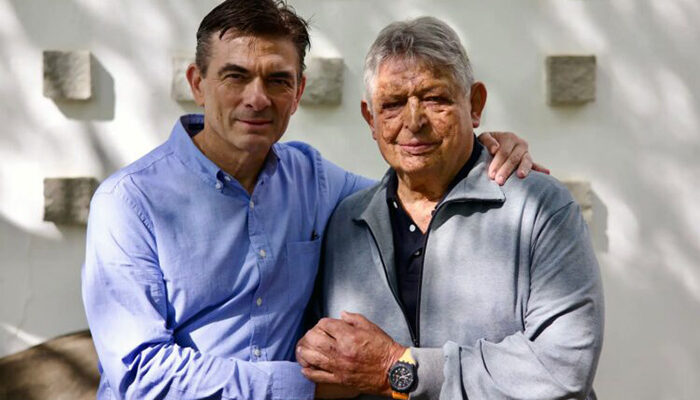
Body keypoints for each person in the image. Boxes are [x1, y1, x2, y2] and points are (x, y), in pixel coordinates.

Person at [81, 1, 542, 399]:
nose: (257, 98)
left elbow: (418, 187)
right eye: (235, 76)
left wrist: (479, 150)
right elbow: (140, 374)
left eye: (277, 80)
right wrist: (308, 389)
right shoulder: (129, 203)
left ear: (299, 91)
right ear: (197, 83)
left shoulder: (316, 181)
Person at [296, 16, 604, 400]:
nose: (413, 122)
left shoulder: (540, 208)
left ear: (475, 105)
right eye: (392, 104)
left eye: (435, 99)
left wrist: (396, 368)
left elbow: (562, 369)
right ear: (370, 118)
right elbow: (322, 369)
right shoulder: (345, 221)